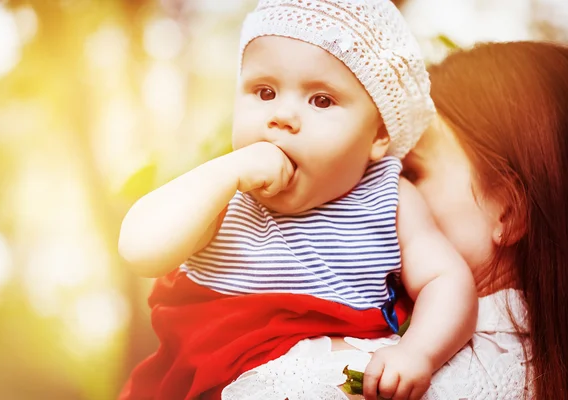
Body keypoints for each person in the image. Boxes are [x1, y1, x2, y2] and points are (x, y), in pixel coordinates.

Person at [118, 1, 478, 399]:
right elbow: (140, 250)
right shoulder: (223, 194)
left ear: (378, 135)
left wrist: (418, 352)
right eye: (264, 92)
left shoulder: (390, 197)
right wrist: (224, 174)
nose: (282, 117)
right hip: (210, 382)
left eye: (321, 100)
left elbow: (446, 281)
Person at [251, 40, 566, 400]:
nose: (380, 191)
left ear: (508, 210)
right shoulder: (537, 364)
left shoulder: (385, 375)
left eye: (411, 173)